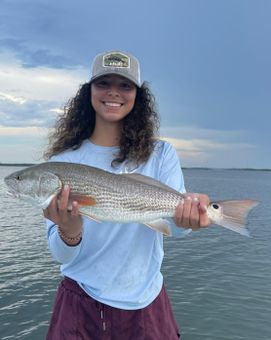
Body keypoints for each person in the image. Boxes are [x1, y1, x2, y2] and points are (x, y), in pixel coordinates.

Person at [43, 50, 210, 339]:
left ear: (138, 95)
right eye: (103, 83)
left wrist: (188, 221)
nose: (113, 93)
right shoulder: (62, 161)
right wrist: (69, 231)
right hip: (79, 299)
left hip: (145, 301)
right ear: (89, 92)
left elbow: (174, 229)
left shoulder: (161, 154)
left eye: (124, 85)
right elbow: (62, 256)